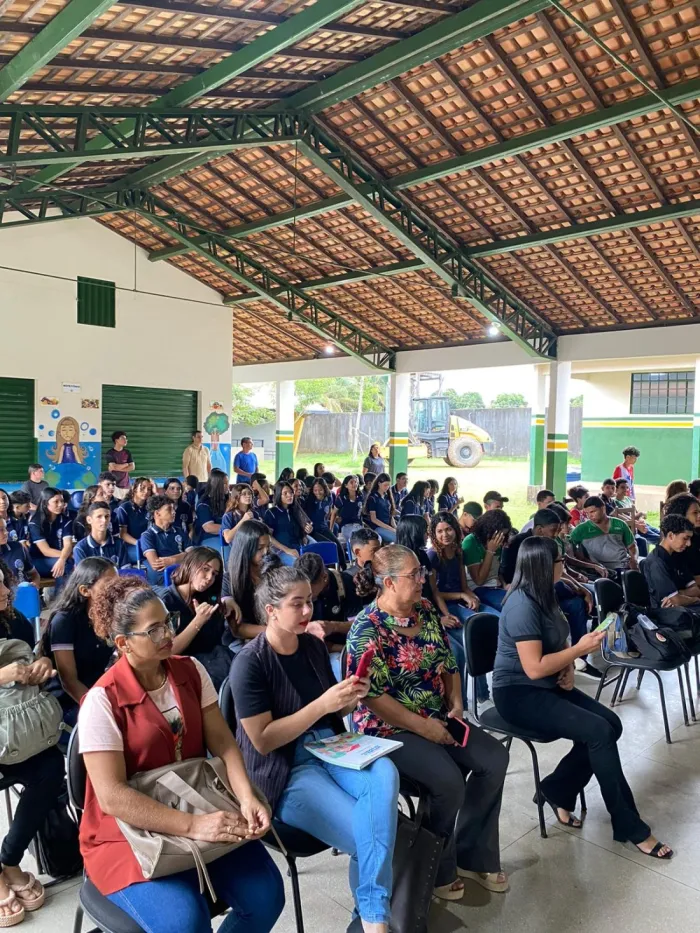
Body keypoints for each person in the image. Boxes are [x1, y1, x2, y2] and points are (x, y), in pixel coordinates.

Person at [77, 574, 284, 933]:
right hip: (129, 830)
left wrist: (245, 794)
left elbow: (222, 742)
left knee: (266, 897)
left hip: (194, 800)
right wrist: (194, 827)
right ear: (124, 643)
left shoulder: (190, 671)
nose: (168, 635)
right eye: (154, 630)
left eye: (169, 622)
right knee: (184, 922)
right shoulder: (101, 701)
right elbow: (111, 797)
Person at [230, 564, 399, 933]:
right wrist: (322, 705)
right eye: (297, 604)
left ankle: (370, 913)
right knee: (368, 836)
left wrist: (351, 698)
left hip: (332, 746)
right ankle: (373, 918)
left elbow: (333, 710)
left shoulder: (310, 646)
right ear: (271, 609)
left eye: (310, 601)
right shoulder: (250, 663)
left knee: (386, 771)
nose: (308, 612)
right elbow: (262, 740)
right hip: (286, 768)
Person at [493, 537, 672, 859]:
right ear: (542, 566)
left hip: (548, 683)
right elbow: (532, 668)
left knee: (610, 724)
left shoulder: (547, 595)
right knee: (599, 732)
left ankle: (556, 789)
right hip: (518, 693)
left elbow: (555, 647)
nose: (564, 565)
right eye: (559, 561)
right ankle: (630, 825)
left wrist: (569, 668)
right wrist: (578, 651)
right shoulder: (521, 604)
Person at [347, 545, 509, 900]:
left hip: (438, 717)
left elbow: (447, 661)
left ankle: (473, 853)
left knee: (494, 759)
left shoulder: (424, 609)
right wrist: (424, 728)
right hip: (389, 730)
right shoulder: (366, 629)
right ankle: (435, 866)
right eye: (414, 575)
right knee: (449, 782)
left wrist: (455, 703)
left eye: (422, 572)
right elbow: (372, 699)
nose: (423, 580)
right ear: (388, 583)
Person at [0, 559, 64, 924]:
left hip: (15, 728)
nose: (8, 591)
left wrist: (39, 668)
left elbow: (36, 661)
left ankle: (10, 859)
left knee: (51, 769)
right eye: (0, 585)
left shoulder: (14, 621)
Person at [43, 557, 116, 726]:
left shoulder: (109, 614)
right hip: (69, 701)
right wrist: (98, 709)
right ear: (85, 590)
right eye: (109, 584)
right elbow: (69, 681)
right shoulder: (65, 621)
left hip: (98, 691)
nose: (116, 589)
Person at [155, 547, 239, 689]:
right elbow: (170, 650)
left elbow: (214, 639)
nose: (209, 578)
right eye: (205, 569)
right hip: (185, 664)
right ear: (191, 564)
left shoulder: (206, 596)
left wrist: (223, 604)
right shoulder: (167, 602)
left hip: (215, 657)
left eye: (214, 574)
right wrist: (198, 621)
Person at [427, 512, 486, 705]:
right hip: (441, 606)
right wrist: (449, 610)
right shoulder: (433, 555)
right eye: (440, 531)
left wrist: (470, 595)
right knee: (460, 648)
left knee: (477, 634)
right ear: (433, 534)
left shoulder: (458, 551)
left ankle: (482, 693)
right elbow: (435, 593)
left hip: (456, 601)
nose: (445, 535)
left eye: (449, 529)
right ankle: (462, 702)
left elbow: (463, 584)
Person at [296, 551, 356, 679]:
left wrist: (332, 626)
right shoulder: (295, 589)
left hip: (343, 648)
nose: (306, 605)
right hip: (311, 649)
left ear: (324, 577)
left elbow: (358, 625)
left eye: (310, 594)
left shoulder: (345, 583)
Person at [224, 520, 273, 651]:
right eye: (260, 548)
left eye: (268, 546)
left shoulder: (272, 571)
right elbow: (238, 629)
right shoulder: (229, 580)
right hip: (242, 641)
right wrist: (276, 632)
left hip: (272, 633)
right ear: (246, 548)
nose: (266, 552)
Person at [642, 514, 700, 609]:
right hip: (668, 616)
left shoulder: (677, 556)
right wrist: (695, 599)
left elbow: (696, 590)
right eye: (685, 538)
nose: (689, 544)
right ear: (671, 535)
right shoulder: (656, 562)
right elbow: (676, 601)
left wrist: (681, 594)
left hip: (686, 609)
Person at [569, 496, 638, 576]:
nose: (590, 516)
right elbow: (569, 545)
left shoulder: (620, 524)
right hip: (600, 570)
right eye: (587, 513)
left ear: (603, 508)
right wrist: (584, 560)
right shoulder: (581, 529)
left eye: (593, 512)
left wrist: (634, 560)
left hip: (623, 566)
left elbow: (632, 546)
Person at [461, 508, 511, 614]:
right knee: (508, 608)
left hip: (495, 586)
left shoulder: (497, 542)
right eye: (499, 534)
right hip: (478, 588)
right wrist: (490, 551)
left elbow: (495, 571)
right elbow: (479, 580)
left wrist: (504, 584)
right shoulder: (471, 542)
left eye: (504, 535)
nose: (501, 538)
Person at [28, 487, 74, 589]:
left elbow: (68, 544)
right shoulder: (35, 522)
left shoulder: (65, 520)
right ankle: (61, 602)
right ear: (45, 503)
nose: (61, 504)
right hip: (38, 562)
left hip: (59, 560)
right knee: (67, 565)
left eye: (62, 501)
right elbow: (45, 551)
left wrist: (62, 558)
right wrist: (66, 557)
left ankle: (64, 601)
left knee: (72, 564)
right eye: (56, 502)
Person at [140, 494, 191, 584]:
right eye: (169, 509)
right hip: (164, 576)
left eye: (174, 508)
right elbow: (156, 564)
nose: (174, 512)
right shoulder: (147, 535)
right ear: (157, 514)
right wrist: (183, 556)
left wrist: (172, 560)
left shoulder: (180, 531)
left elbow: (192, 554)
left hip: (183, 571)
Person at [305, 478, 346, 569]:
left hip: (323, 527)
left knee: (337, 544)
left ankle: (343, 567)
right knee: (329, 545)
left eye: (320, 490)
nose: (318, 492)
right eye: (315, 490)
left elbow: (328, 513)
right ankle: (330, 568)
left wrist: (329, 526)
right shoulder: (309, 500)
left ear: (325, 489)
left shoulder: (329, 497)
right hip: (313, 530)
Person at [74, 502, 129, 568]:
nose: (104, 520)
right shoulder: (80, 548)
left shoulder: (119, 543)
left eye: (107, 516)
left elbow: (126, 571)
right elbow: (83, 576)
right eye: (99, 517)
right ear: (89, 520)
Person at [664, 493, 700, 585]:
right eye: (695, 513)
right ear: (682, 514)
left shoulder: (696, 535)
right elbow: (683, 578)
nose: (699, 516)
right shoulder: (675, 542)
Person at [116, 477, 152, 563]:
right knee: (150, 557)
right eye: (142, 488)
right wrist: (139, 543)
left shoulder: (150, 507)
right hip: (132, 545)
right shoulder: (124, 508)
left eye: (149, 489)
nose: (146, 491)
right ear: (134, 489)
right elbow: (123, 534)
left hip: (149, 544)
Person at [194, 468, 229, 548]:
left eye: (227, 483)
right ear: (217, 485)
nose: (228, 486)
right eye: (225, 484)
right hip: (209, 538)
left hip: (225, 535)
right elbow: (209, 528)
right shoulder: (204, 503)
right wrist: (234, 529)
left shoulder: (226, 499)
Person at [0, 517, 39, 586]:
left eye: (5, 528)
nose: (6, 532)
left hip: (24, 592)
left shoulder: (17, 547)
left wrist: (34, 586)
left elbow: (34, 573)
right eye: (1, 530)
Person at [329, 474, 364, 545]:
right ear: (346, 485)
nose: (355, 484)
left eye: (356, 482)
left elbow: (361, 512)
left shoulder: (360, 497)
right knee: (356, 541)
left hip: (358, 525)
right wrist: (331, 529)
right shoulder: (341, 499)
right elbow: (334, 513)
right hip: (346, 526)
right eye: (351, 482)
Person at [362, 473, 396, 543]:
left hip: (388, 525)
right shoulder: (373, 498)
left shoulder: (387, 496)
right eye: (385, 485)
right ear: (379, 484)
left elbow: (390, 515)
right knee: (396, 538)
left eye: (388, 485)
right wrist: (390, 528)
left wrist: (395, 527)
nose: (387, 487)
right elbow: (374, 519)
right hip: (377, 527)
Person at [105, 431, 135, 500]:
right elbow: (113, 466)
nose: (126, 440)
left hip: (126, 484)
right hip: (114, 485)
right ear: (116, 440)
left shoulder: (127, 452)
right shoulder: (110, 453)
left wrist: (116, 468)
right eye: (123, 438)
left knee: (125, 502)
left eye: (126, 439)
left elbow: (132, 467)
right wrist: (126, 464)